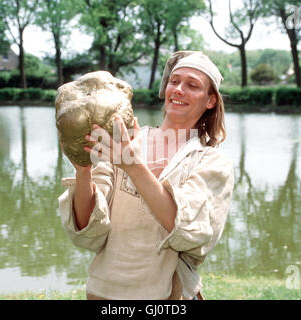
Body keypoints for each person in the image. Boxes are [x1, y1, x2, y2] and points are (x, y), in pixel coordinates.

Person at [58, 51, 234, 300]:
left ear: (210, 101)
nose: (179, 89)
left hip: (169, 295)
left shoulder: (211, 162)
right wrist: (82, 168)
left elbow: (185, 231)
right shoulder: (126, 141)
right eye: (174, 81)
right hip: (105, 292)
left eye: (192, 85)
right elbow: (87, 227)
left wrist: (133, 165)